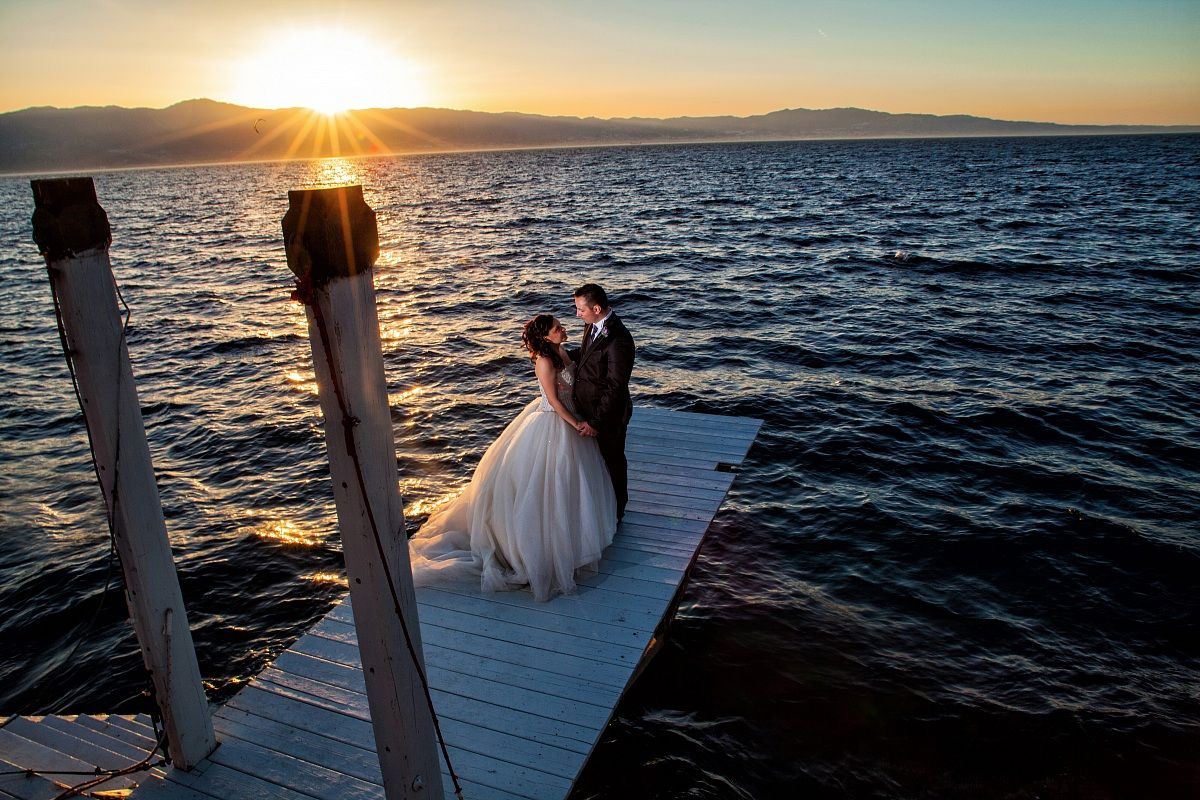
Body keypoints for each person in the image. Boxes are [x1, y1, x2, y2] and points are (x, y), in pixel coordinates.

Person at [408, 314, 617, 601]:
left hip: (569, 417)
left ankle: (574, 540)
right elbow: (554, 402)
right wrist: (576, 424)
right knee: (546, 484)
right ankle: (538, 550)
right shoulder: (544, 361)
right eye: (558, 328)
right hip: (552, 421)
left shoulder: (560, 351)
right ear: (546, 336)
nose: (564, 329)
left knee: (570, 482)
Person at [571, 283, 635, 521]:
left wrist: (596, 422)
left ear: (596, 308)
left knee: (613, 463)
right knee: (598, 464)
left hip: (608, 417)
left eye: (581, 310)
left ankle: (618, 513)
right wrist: (558, 355)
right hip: (587, 411)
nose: (578, 314)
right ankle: (602, 508)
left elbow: (616, 387)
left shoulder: (618, 339)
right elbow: (586, 356)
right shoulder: (593, 326)